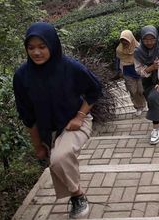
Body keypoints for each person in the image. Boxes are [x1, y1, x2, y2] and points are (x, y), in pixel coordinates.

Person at [13, 22, 102, 219]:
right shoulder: (22, 76)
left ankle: (78, 196)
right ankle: (75, 194)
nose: (36, 52)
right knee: (55, 164)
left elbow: (95, 89)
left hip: (75, 121)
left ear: (52, 45)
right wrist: (38, 146)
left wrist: (80, 117)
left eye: (42, 46)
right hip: (47, 129)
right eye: (31, 47)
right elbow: (27, 115)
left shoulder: (69, 67)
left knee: (59, 158)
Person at [134, 26, 159, 145]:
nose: (149, 42)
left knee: (153, 98)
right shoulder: (138, 51)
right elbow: (139, 70)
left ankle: (156, 129)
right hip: (146, 82)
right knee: (152, 102)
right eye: (146, 39)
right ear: (142, 39)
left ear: (156, 38)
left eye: (152, 39)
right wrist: (151, 68)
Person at [115, 30, 147, 116]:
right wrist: (118, 71)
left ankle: (144, 103)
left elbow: (144, 58)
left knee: (141, 90)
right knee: (133, 91)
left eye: (126, 40)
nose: (124, 42)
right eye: (122, 40)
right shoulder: (119, 50)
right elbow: (118, 61)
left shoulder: (138, 48)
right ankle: (139, 106)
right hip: (127, 72)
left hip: (139, 71)